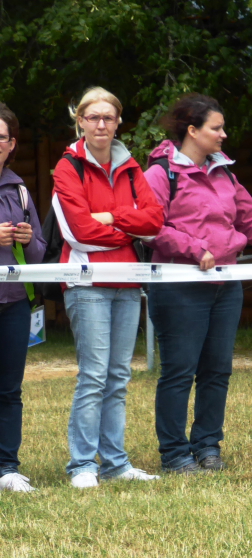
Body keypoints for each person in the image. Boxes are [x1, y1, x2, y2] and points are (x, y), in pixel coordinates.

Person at [144, 94, 252, 474]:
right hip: (178, 287)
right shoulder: (160, 174)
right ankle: (174, 454)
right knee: (179, 371)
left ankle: (208, 447)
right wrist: (194, 249)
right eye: (216, 128)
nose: (224, 135)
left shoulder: (225, 174)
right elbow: (150, 227)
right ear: (192, 131)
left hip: (227, 286)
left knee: (218, 370)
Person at [53, 87, 165, 487]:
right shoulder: (68, 166)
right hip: (87, 282)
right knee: (94, 376)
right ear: (80, 121)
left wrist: (111, 216)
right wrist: (128, 226)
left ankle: (116, 463)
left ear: (118, 122)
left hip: (128, 281)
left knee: (118, 376)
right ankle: (82, 465)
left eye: (108, 117)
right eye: (93, 117)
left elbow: (155, 221)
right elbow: (80, 231)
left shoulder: (132, 168)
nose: (101, 124)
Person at [0, 102, 46, 494]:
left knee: (9, 390)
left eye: (0, 137)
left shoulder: (19, 190)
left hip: (13, 302)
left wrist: (29, 241)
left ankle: (7, 468)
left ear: (11, 144)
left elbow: (40, 253)